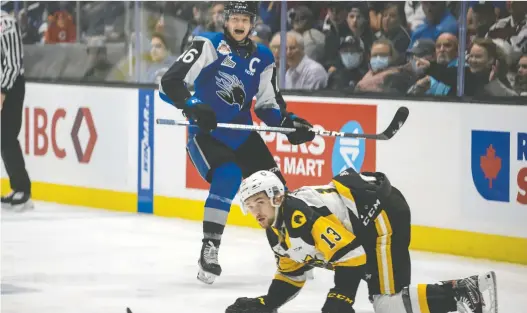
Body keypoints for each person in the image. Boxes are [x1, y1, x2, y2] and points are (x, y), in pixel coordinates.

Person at [159, 1, 315, 285]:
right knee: (228, 174)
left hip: (242, 133)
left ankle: (289, 251)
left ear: (253, 23)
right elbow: (169, 83)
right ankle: (210, 249)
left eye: (245, 18)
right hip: (205, 134)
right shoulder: (208, 44)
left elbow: (268, 106)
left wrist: (289, 125)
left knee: (276, 190)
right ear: (225, 20)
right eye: (235, 18)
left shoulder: (264, 57)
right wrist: (192, 104)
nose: (240, 24)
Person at [226, 168, 498, 313]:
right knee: (388, 303)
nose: (256, 212)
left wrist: (341, 297)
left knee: (387, 304)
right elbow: (292, 271)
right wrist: (269, 303)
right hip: (366, 225)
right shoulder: (277, 228)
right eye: (250, 206)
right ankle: (464, 291)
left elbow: (352, 255)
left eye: (259, 202)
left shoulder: (300, 216)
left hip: (380, 216)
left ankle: (465, 294)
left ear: (276, 197)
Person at [1, 10, 33, 211]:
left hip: (10, 86)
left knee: (6, 136)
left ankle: (23, 189)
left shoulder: (6, 23)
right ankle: (18, 187)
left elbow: (13, 63)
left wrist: (2, 90)